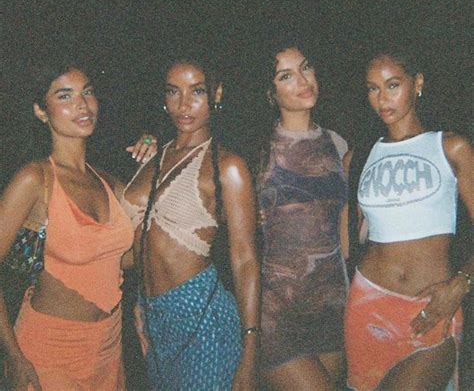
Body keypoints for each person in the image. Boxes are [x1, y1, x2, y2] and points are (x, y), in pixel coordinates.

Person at [120, 52, 260, 391]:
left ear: (217, 94)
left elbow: (245, 260)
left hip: (202, 315)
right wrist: (141, 306)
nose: (184, 104)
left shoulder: (228, 166)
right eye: (173, 92)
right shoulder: (153, 156)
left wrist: (251, 351)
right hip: (153, 319)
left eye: (196, 91)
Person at [344, 48, 473, 391]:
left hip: (432, 306)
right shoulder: (358, 157)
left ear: (417, 83)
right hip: (367, 306)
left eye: (392, 85)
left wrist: (461, 283)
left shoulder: (450, 147)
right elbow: (344, 235)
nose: (381, 98)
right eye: (372, 88)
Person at [0, 59, 134, 390]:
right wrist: (14, 356)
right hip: (49, 350)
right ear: (40, 111)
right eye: (64, 96)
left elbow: (130, 259)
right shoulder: (35, 179)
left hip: (108, 347)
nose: (82, 105)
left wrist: (153, 167)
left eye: (87, 92)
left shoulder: (109, 182)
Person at [254, 39, 349, 390]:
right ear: (270, 93)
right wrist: (156, 142)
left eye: (305, 67)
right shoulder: (256, 150)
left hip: (331, 308)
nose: (302, 80)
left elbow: (345, 230)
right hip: (278, 313)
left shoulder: (338, 145)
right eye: (286, 76)